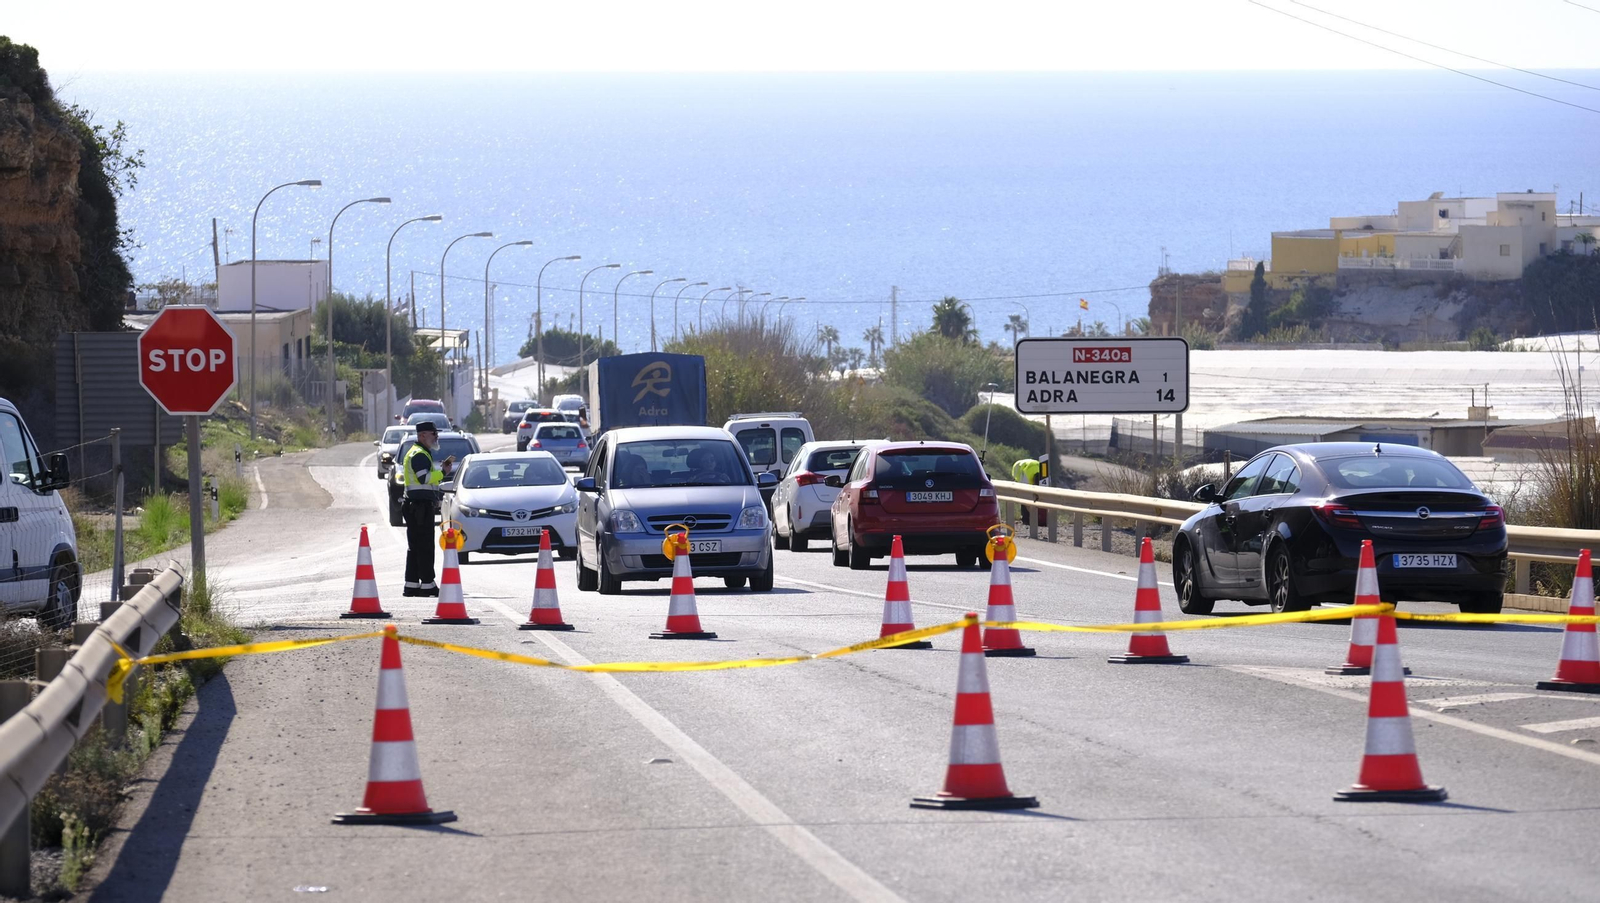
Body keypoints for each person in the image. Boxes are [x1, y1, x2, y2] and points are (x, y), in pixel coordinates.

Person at [401, 422, 455, 597]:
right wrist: (443, 473)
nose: (436, 436)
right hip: (420, 508)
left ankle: (412, 585)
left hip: (416, 507)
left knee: (415, 547)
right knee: (425, 547)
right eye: (433, 433)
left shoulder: (418, 453)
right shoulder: (420, 454)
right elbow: (424, 479)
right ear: (422, 435)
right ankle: (427, 584)